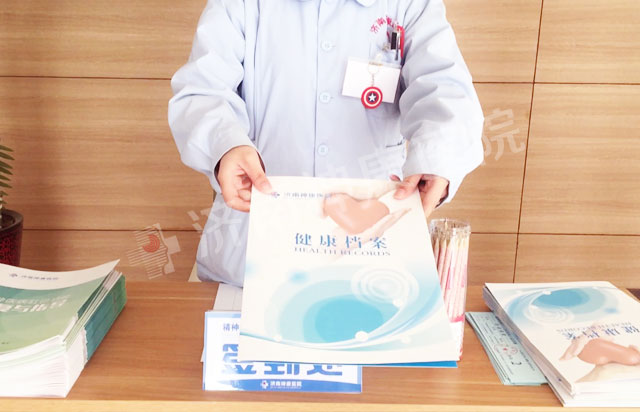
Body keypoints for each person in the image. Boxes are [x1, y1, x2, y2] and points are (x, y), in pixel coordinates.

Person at [168, 0, 484, 285]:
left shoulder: (411, 5)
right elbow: (203, 91)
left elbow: (445, 90)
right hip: (250, 254)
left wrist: (436, 158)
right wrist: (225, 145)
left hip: (372, 253)